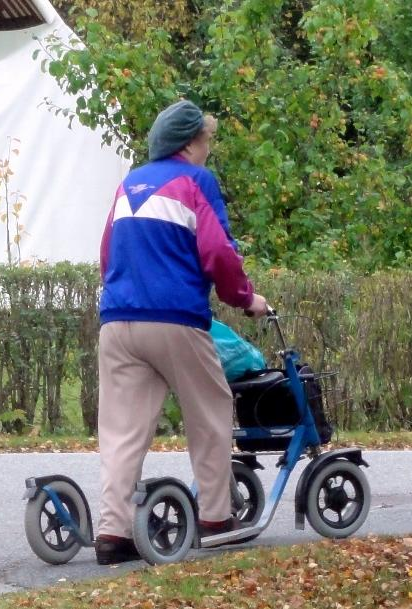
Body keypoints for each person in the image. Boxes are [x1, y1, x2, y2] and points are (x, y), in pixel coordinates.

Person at [93, 99, 269, 565]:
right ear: (191, 142)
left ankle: (112, 532)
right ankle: (215, 519)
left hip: (117, 323)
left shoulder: (128, 183)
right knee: (211, 411)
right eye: (207, 140)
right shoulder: (195, 182)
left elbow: (107, 253)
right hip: (174, 320)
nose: (208, 148)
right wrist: (245, 299)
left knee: (123, 430)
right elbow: (218, 252)